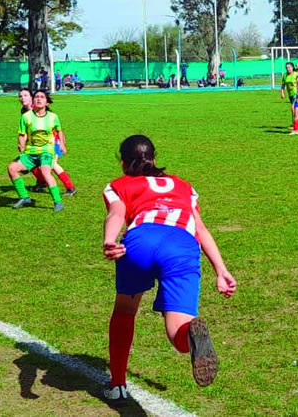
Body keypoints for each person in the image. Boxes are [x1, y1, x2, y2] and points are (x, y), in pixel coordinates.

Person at [101, 135, 237, 400]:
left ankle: (117, 384)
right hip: (182, 245)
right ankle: (192, 335)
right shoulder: (183, 186)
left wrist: (109, 240)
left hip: (141, 241)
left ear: (123, 162)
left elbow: (116, 213)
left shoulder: (119, 185)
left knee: (125, 311)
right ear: (154, 157)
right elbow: (200, 227)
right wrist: (220, 270)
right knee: (178, 335)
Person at [7, 90, 67, 212]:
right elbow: (21, 133)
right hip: (30, 152)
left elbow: (59, 130)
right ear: (33, 101)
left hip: (46, 151)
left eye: (42, 97)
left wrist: (62, 145)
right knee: (12, 168)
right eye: (36, 97)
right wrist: (22, 145)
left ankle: (58, 202)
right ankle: (24, 197)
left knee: (45, 172)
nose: (39, 99)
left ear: (46, 102)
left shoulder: (53, 117)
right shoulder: (26, 116)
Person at [17, 88, 77, 197]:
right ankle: (41, 182)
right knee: (33, 161)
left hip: (51, 141)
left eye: (25, 95)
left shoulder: (40, 109)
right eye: (20, 96)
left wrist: (62, 142)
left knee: (52, 164)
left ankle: (70, 187)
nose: (22, 98)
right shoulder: (25, 112)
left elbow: (55, 127)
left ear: (31, 97)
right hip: (38, 143)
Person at [280, 62, 298, 128]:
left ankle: (294, 124)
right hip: (290, 94)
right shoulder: (285, 75)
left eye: (289, 67)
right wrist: (282, 92)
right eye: (286, 67)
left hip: (296, 93)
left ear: (292, 67)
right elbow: (283, 85)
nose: (288, 69)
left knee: (293, 108)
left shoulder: (296, 74)